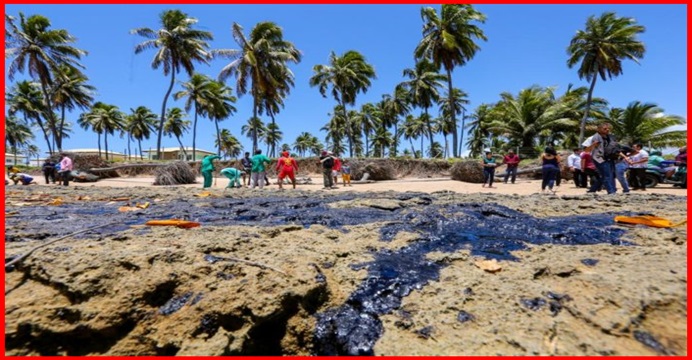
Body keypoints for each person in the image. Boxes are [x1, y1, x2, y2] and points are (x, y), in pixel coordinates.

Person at [584, 123, 616, 194]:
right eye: (605, 129)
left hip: (609, 158)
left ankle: (592, 190)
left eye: (608, 128)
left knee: (607, 176)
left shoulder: (610, 138)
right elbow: (586, 150)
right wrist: (593, 145)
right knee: (607, 175)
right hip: (599, 158)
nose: (607, 130)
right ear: (598, 129)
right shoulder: (592, 138)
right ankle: (611, 192)